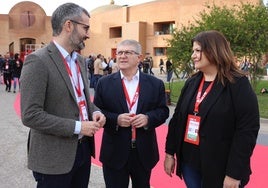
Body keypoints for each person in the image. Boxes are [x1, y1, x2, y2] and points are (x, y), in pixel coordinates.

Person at [20, 3, 106, 188]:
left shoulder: (80, 61)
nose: (88, 34)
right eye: (86, 27)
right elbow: (30, 115)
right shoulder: (38, 61)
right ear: (69, 25)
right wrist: (78, 127)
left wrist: (95, 111)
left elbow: (80, 99)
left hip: (83, 150)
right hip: (53, 159)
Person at [164, 30, 260, 188]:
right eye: (192, 51)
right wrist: (170, 153)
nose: (193, 55)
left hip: (221, 168)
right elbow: (177, 120)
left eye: (197, 51)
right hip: (190, 162)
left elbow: (247, 131)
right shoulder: (192, 82)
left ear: (213, 50)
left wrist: (234, 173)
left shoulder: (237, 84)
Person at [94, 39, 169, 188]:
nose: (122, 56)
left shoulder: (155, 84)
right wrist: (116, 119)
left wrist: (148, 119)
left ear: (139, 58)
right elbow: (96, 111)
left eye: (127, 52)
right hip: (114, 152)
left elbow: (163, 111)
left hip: (143, 152)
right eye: (119, 52)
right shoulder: (104, 83)